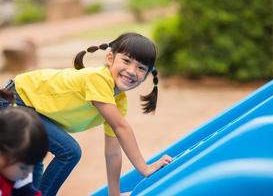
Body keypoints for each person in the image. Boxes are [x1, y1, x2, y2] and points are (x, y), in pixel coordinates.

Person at [0, 32, 172, 196]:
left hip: (31, 108)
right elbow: (121, 127)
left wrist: (114, 194)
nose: (132, 71)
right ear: (110, 58)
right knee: (69, 152)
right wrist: (144, 168)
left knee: (32, 167)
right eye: (126, 61)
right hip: (16, 99)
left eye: (141, 68)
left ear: (147, 75)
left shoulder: (118, 101)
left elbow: (113, 152)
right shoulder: (98, 79)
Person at [0, 107, 48, 196]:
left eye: (33, 165)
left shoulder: (17, 172)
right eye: (23, 167)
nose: (29, 172)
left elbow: (26, 191)